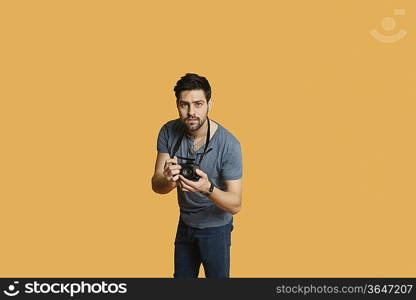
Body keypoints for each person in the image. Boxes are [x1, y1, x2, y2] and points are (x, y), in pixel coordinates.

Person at [151, 73, 243, 278]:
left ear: (209, 104)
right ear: (177, 105)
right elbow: (156, 185)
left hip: (216, 229)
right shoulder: (168, 131)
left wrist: (207, 189)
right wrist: (167, 180)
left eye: (198, 104)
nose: (191, 112)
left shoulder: (229, 145)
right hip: (185, 225)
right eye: (184, 105)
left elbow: (235, 204)